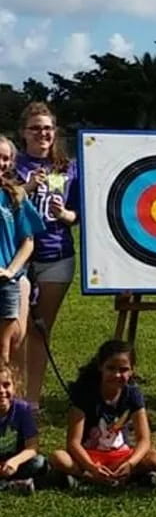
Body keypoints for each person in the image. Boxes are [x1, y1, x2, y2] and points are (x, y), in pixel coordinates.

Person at [15, 103, 80, 406]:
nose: (42, 133)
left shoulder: (69, 167)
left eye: (48, 128)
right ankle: (10, 396)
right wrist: (26, 188)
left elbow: (80, 211)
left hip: (58, 256)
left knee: (40, 330)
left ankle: (32, 401)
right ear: (23, 133)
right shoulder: (12, 164)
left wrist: (67, 215)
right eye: (35, 128)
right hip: (18, 257)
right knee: (15, 331)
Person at [49, 340, 156, 488]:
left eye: (123, 370)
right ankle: (91, 477)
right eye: (111, 368)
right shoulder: (84, 394)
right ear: (101, 367)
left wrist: (131, 463)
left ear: (132, 371)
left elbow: (144, 439)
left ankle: (121, 476)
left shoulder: (133, 394)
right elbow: (73, 442)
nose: (117, 375)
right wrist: (91, 467)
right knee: (59, 458)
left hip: (121, 455)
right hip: (89, 456)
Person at [0, 136, 44, 363]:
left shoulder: (14, 195)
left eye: (6, 158)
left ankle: (6, 397)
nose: (2, 163)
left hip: (9, 278)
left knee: (12, 342)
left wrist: (10, 271)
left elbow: (28, 241)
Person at [0, 362, 46, 494]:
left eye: (6, 385)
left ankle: (10, 483)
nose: (2, 391)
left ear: (14, 386)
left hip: (14, 462)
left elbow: (32, 447)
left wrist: (15, 462)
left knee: (39, 462)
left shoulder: (22, 409)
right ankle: (10, 486)